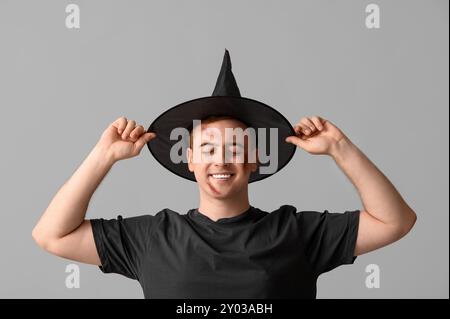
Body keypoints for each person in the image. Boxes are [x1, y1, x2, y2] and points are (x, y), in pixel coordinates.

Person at [32, 50, 417, 299]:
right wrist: (103, 156)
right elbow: (51, 234)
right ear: (190, 161)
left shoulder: (297, 233)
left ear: (254, 160)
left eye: (235, 149)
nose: (221, 160)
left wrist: (340, 148)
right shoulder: (152, 237)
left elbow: (395, 221)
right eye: (208, 149)